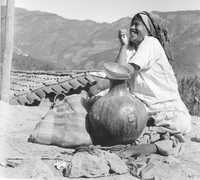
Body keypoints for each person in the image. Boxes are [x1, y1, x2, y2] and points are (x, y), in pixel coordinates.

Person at [114, 11, 191, 134]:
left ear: (148, 30)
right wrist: (123, 46)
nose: (132, 28)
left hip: (166, 109)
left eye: (137, 24)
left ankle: (154, 139)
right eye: (131, 24)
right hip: (143, 109)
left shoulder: (151, 43)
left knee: (178, 124)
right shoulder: (131, 49)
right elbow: (117, 72)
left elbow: (123, 72)